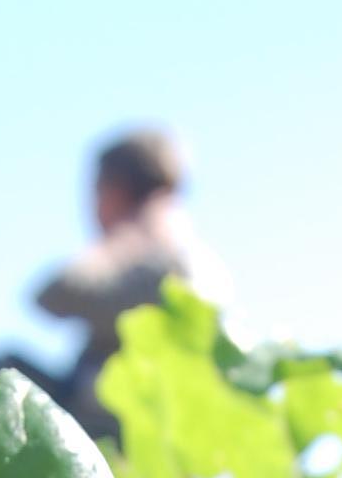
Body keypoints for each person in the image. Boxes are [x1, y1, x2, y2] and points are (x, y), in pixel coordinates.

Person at [21, 126, 225, 434]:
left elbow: (56, 293)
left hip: (124, 432)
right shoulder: (200, 261)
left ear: (113, 192)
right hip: (155, 426)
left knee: (3, 378)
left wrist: (122, 241)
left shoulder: (161, 261)